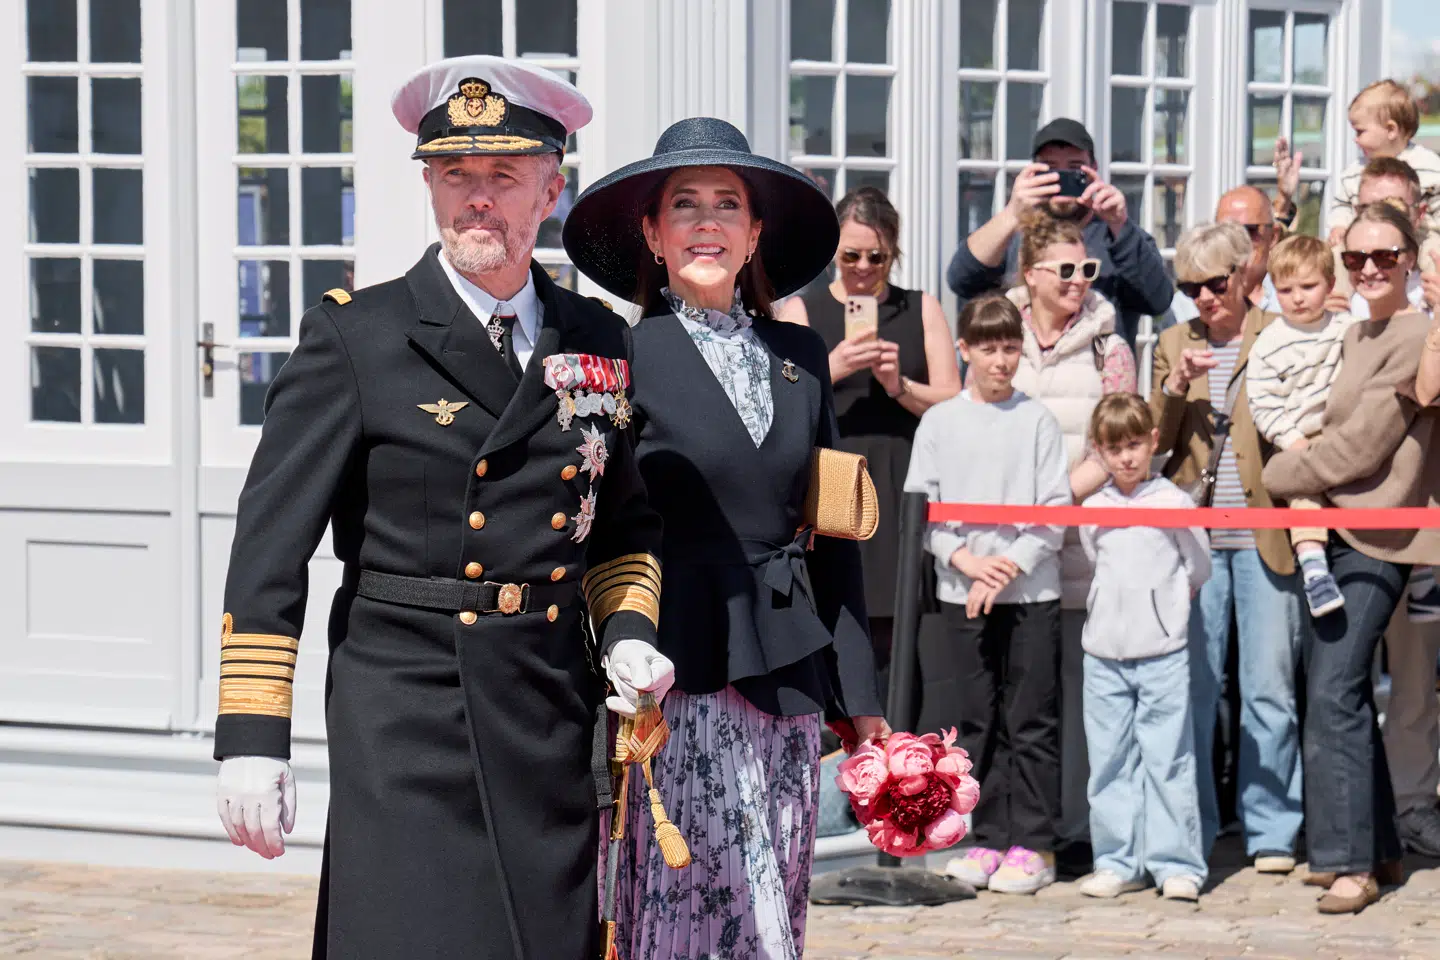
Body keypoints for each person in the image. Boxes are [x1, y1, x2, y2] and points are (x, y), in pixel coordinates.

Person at [211, 57, 672, 960]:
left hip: (546, 705)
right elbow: (269, 548)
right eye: (456, 175)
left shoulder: (597, 339)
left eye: (503, 176)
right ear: (428, 183)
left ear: (552, 188)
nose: (477, 200)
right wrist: (252, 737)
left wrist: (624, 631)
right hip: (405, 711)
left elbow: (623, 527)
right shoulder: (358, 335)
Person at [561, 117, 887, 958]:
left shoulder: (801, 353)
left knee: (769, 895)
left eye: (727, 205)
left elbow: (835, 532)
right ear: (652, 232)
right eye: (684, 205)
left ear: (754, 235)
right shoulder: (620, 350)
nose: (707, 222)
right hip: (669, 673)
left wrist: (861, 700)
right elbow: (588, 533)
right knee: (675, 903)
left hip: (786, 673)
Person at [1263, 201, 1440, 914]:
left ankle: (1349, 862)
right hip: (1343, 529)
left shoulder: (1415, 333)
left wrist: (1278, 476)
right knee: (1336, 683)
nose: (1370, 268)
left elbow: (1359, 445)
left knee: (1335, 684)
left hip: (1385, 534)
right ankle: (1383, 849)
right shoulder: (1356, 330)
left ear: (1410, 260)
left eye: (1386, 257)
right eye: (1358, 258)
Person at [1150, 222, 1304, 874]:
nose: (1205, 300)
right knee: (1197, 690)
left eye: (1216, 284)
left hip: (1266, 531)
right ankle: (1199, 827)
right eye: (1191, 288)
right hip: (1196, 543)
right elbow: (1149, 445)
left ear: (1245, 273)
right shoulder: (1173, 342)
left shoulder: (1280, 331)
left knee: (1268, 687)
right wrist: (1176, 385)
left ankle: (1272, 832)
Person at [906, 293, 1070, 895]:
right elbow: (922, 509)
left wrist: (1003, 568)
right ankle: (982, 837)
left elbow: (1053, 510)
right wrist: (969, 563)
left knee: (1031, 719)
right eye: (989, 348)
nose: (1001, 361)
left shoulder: (1038, 420)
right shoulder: (940, 422)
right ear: (965, 350)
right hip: (961, 590)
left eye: (1010, 348)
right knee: (973, 720)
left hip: (1030, 593)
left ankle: (1034, 843)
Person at [990, 209, 1137, 872]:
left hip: (1079, 544)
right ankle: (1015, 828)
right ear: (1030, 275)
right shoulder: (999, 335)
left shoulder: (1112, 344)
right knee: (1017, 691)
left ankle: (1075, 829)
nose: (1081, 281)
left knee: (1080, 696)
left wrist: (1056, 499)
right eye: (1067, 269)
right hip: (1006, 544)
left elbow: (1117, 441)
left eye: (1088, 269)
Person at [778, 186, 961, 668]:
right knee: (832, 613)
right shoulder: (801, 311)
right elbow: (776, 406)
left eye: (876, 258)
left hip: (903, 478)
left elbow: (952, 403)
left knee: (900, 626)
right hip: (831, 483)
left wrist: (899, 385)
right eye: (850, 255)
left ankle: (896, 736)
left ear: (893, 253)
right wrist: (830, 368)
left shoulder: (920, 307)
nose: (862, 268)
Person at [1076, 393, 1211, 903]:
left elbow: (1198, 564)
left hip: (1163, 652)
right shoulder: (1094, 508)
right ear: (1099, 451)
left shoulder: (1175, 502)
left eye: (1135, 445)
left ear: (1153, 441)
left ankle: (1177, 862)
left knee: (1168, 758)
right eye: (1115, 449)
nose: (1127, 458)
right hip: (1104, 652)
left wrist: (1168, 607)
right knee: (1109, 760)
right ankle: (1117, 860)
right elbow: (1095, 557)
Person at [947, 118, 1173, 347]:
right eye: (1051, 169)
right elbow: (961, 280)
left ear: (1093, 169)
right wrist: (1012, 213)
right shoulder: (1013, 231)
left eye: (1074, 169)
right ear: (1033, 171)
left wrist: (1119, 225)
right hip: (1021, 373)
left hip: (1098, 372)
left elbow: (1159, 300)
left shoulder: (1118, 236)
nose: (1062, 179)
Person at [1245, 234, 1355, 617]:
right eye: (1286, 289)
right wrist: (1292, 440)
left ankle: (1422, 569)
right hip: (1299, 438)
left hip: (1346, 433)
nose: (1298, 297)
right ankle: (1314, 569)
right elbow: (1263, 402)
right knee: (1302, 490)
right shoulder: (1269, 342)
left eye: (1308, 286)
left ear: (1330, 284)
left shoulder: (1346, 328)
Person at [1326, 79, 1440, 247]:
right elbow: (1342, 204)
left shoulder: (1428, 165)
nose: (1355, 140)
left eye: (1360, 132)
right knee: (1335, 256)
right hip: (1367, 245)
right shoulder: (1355, 171)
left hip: (1420, 244)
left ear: (1391, 130)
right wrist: (1339, 226)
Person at [1169, 186, 1285, 325]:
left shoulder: (1296, 296)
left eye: (1248, 230)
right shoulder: (1185, 305)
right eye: (1223, 232)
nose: (1236, 240)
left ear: (1273, 236)